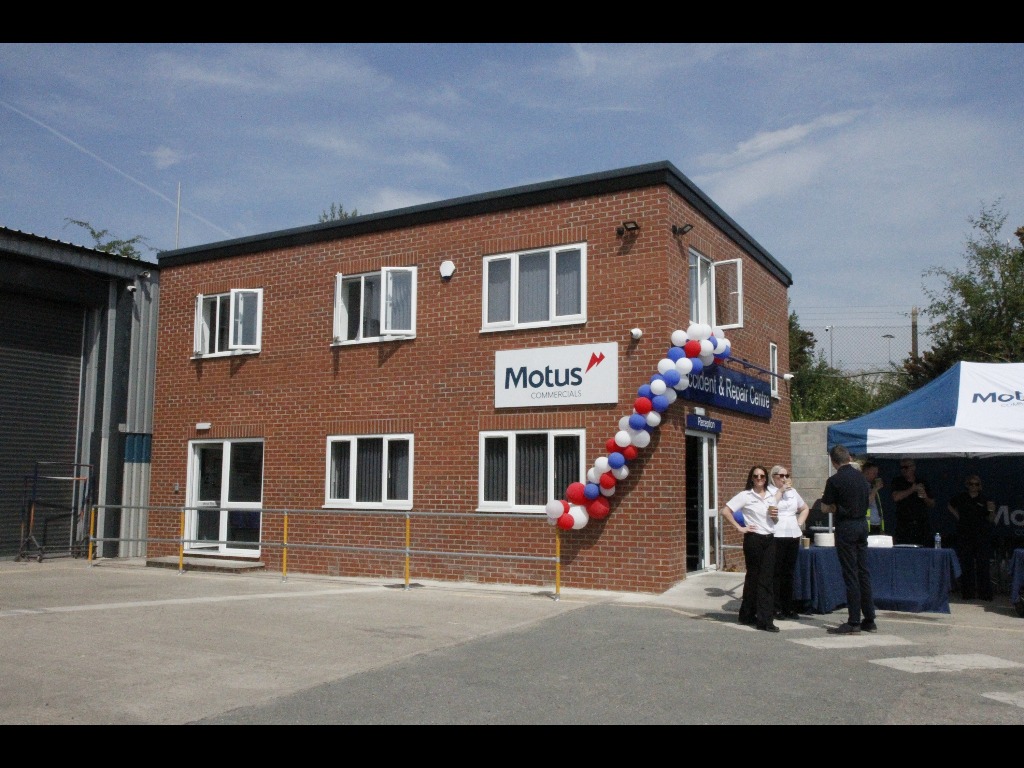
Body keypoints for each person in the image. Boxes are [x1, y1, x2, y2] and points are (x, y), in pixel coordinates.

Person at [820, 444, 877, 634]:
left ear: (833, 462)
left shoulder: (834, 480)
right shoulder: (861, 478)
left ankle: (853, 621)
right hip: (862, 524)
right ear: (849, 458)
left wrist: (836, 507)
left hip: (846, 526)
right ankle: (869, 618)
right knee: (863, 572)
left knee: (851, 573)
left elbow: (825, 507)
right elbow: (867, 500)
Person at [721, 465, 780, 632]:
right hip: (753, 539)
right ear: (751, 478)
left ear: (766, 478)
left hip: (769, 538)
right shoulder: (746, 495)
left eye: (762, 476)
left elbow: (774, 520)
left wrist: (775, 517)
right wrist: (740, 528)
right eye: (756, 476)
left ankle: (757, 617)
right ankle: (757, 618)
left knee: (766, 579)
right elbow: (726, 511)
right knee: (754, 577)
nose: (759, 479)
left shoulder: (771, 496)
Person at [768, 465, 810, 619]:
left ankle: (788, 606)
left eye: (787, 475)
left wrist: (799, 523)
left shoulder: (793, 492)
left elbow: (804, 508)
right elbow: (770, 506)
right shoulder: (770, 492)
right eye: (781, 476)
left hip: (792, 534)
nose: (785, 479)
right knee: (776, 571)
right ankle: (776, 606)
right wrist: (781, 491)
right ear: (773, 477)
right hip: (777, 533)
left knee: (789, 571)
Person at [948, 474, 996, 601]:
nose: (974, 487)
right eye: (971, 484)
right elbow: (950, 505)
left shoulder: (985, 499)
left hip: (981, 535)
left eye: (976, 484)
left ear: (980, 486)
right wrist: (958, 516)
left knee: (983, 564)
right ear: (967, 485)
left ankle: (985, 594)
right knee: (966, 563)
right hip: (965, 534)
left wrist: (992, 511)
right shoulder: (961, 497)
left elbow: (991, 519)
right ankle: (968, 593)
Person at [890, 457, 936, 547]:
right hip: (904, 524)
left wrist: (925, 497)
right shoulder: (898, 481)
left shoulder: (922, 482)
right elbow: (896, 497)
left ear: (913, 467)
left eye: (906, 467)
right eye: (901, 468)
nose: (904, 470)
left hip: (921, 524)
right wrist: (912, 489)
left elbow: (932, 504)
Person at [861, 460, 886, 536]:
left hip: (877, 524)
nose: (876, 476)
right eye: (874, 473)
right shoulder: (862, 486)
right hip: (868, 524)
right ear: (866, 472)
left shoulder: (871, 486)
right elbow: (866, 502)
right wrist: (875, 489)